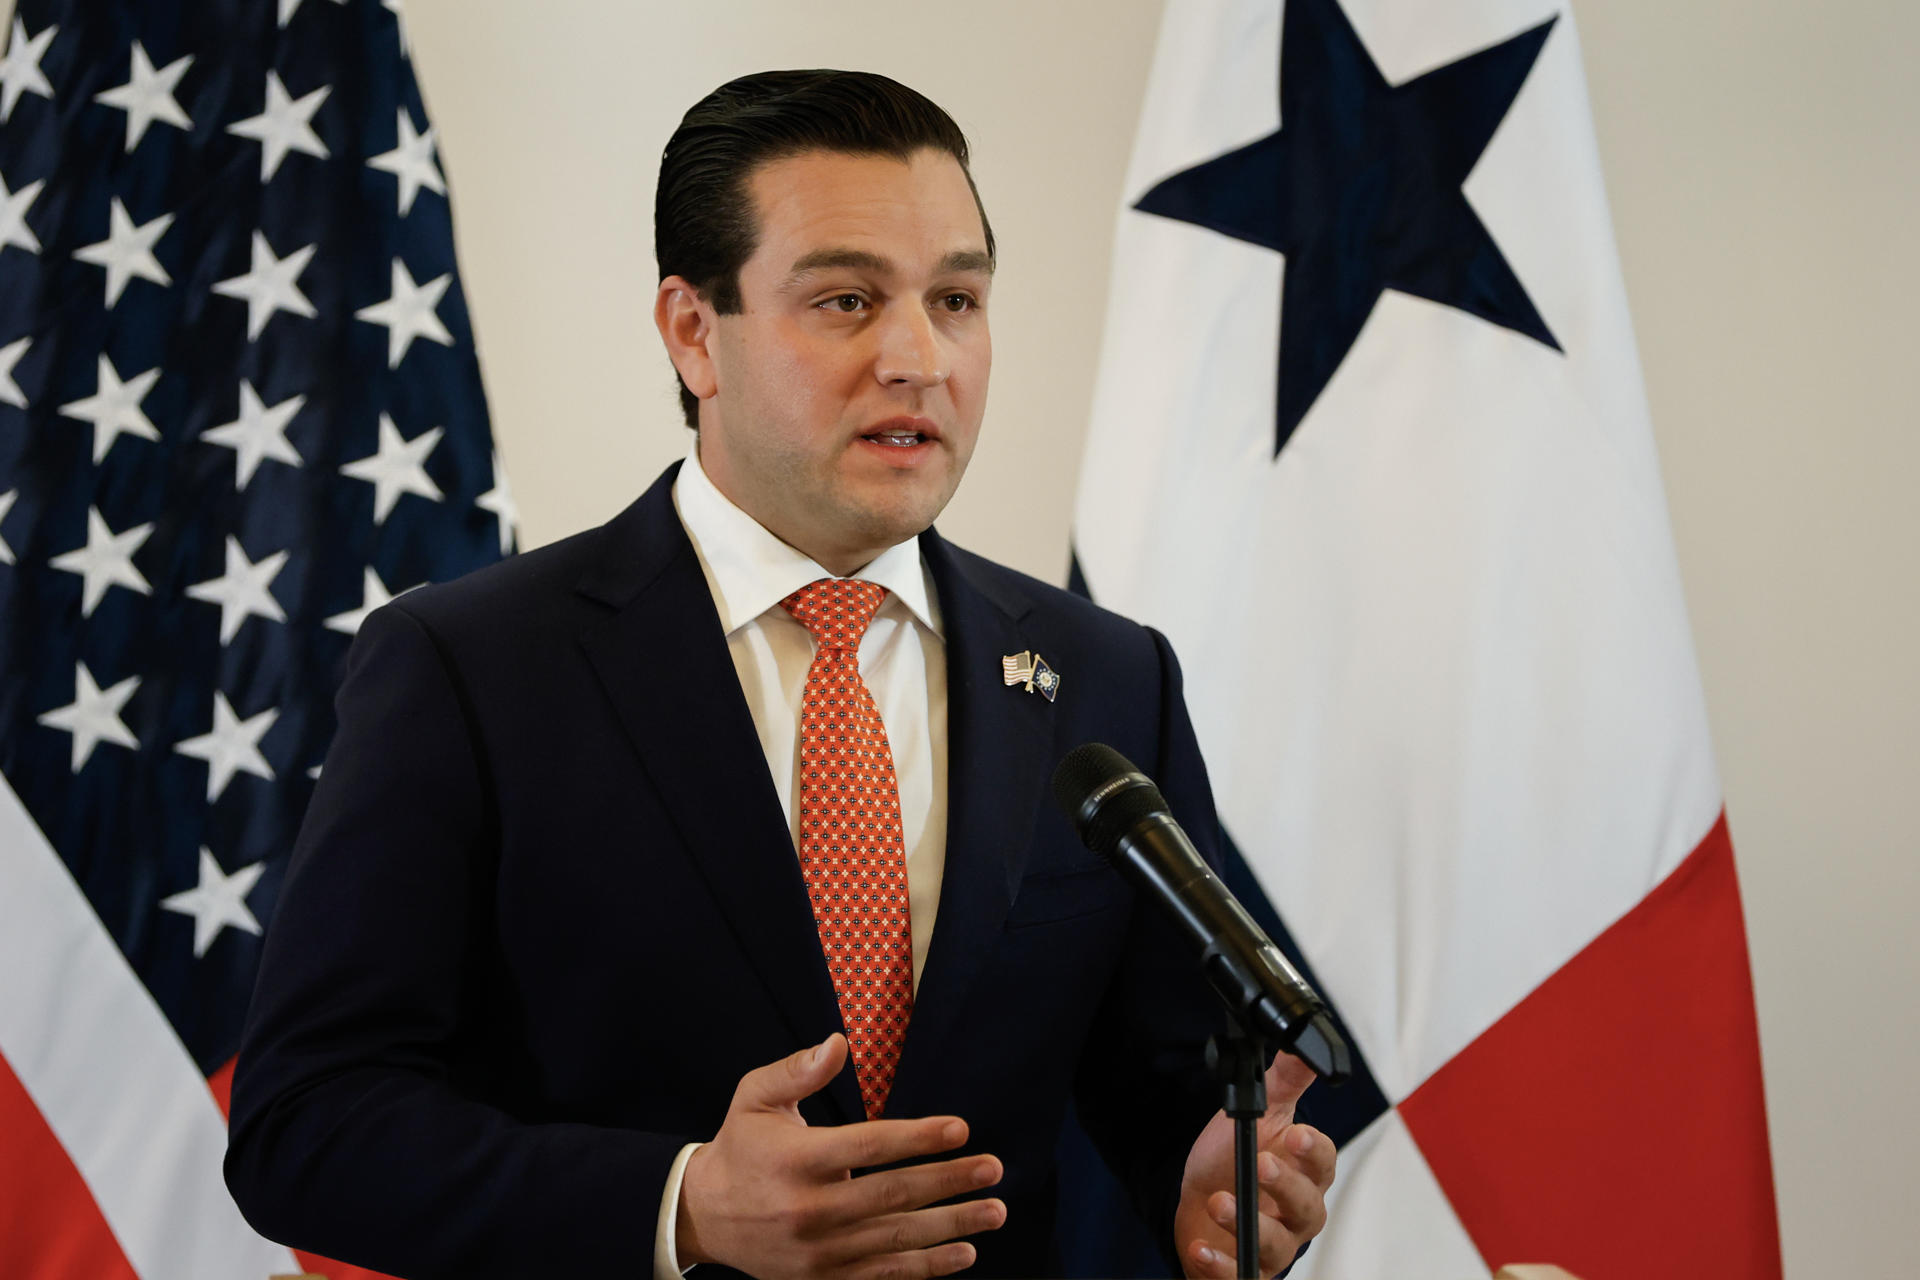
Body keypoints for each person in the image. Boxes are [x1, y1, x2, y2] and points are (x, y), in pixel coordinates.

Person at [225, 70, 1336, 1280]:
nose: (919, 356)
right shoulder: (470, 668)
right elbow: (304, 1120)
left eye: (956, 298)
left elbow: (1156, 1072)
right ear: (695, 331)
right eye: (848, 299)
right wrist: (681, 1202)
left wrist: (1203, 1172)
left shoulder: (1106, 676)